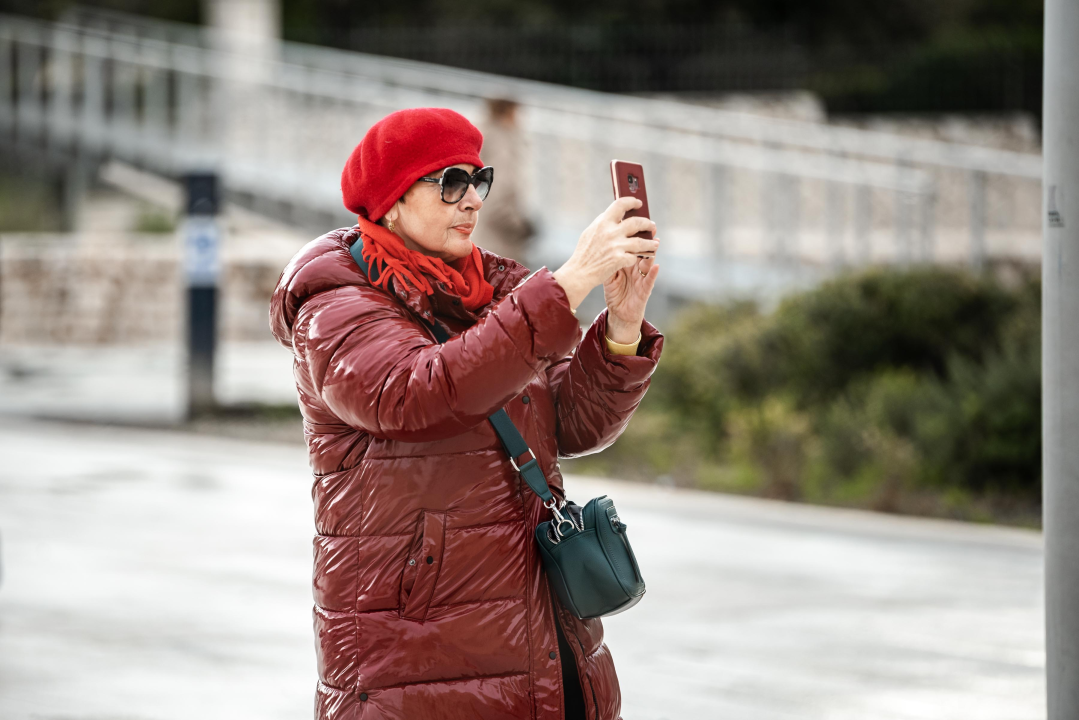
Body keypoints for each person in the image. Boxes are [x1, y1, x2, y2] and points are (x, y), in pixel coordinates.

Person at [269, 107, 663, 720]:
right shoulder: (336, 306)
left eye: (479, 180)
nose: (471, 200)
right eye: (450, 181)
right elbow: (418, 393)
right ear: (392, 200)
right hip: (418, 658)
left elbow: (572, 425)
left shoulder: (492, 293)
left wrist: (622, 324)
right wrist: (570, 280)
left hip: (542, 636)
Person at [469, 98, 536, 263]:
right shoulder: (502, 144)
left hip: (482, 241)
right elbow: (498, 199)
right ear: (509, 113)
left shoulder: (483, 137)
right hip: (499, 247)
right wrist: (522, 227)